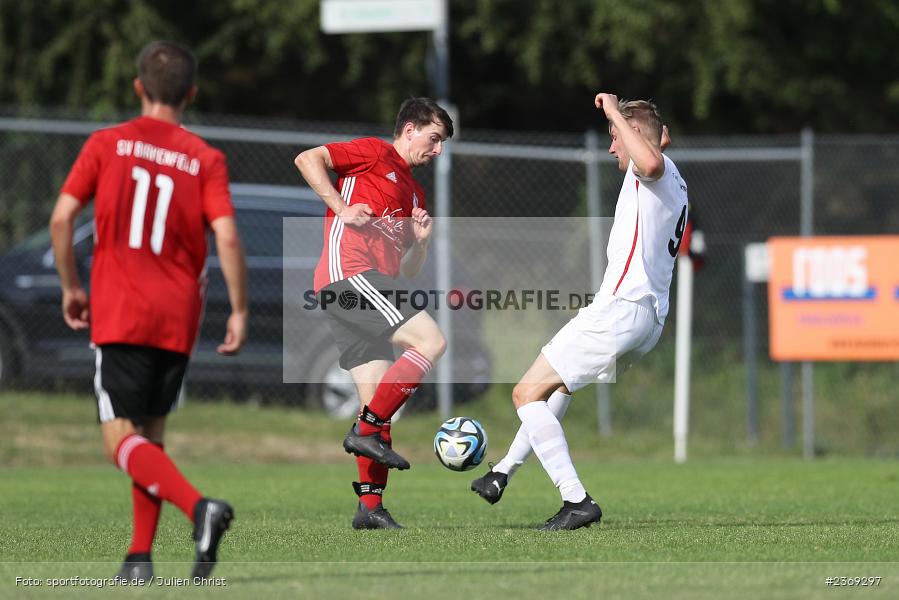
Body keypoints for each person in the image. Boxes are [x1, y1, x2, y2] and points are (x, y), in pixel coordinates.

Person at [49, 41, 248, 578]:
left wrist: (71, 286)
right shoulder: (206, 159)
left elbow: (63, 219)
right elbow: (227, 238)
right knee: (150, 436)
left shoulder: (105, 144)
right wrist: (239, 310)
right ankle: (139, 558)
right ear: (191, 94)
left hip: (120, 311)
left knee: (119, 439)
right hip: (178, 316)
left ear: (139, 87)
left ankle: (200, 509)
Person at [470, 94, 688, 530]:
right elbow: (656, 142)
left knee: (524, 393)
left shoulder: (654, 172)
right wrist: (635, 124)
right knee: (557, 389)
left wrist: (614, 113)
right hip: (648, 320)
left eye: (615, 139)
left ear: (637, 137)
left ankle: (577, 500)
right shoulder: (676, 179)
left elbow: (650, 160)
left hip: (623, 309)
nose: (612, 148)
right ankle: (502, 473)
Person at [295, 98, 453, 529]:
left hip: (362, 286)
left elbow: (406, 270)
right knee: (431, 342)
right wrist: (342, 207)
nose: (437, 151)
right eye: (434, 138)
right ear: (408, 129)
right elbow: (308, 159)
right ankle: (364, 429)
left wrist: (420, 242)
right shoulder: (372, 152)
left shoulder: (415, 193)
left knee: (379, 398)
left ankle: (370, 510)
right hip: (348, 276)